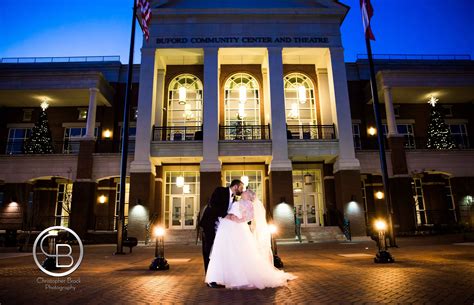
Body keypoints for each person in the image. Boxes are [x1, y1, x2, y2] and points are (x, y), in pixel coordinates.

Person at [205, 190, 296, 289]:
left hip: (237, 228)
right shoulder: (238, 201)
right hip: (229, 228)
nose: (243, 192)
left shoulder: (248, 204)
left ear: (249, 196)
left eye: (246, 192)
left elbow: (250, 217)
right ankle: (229, 276)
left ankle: (239, 277)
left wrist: (238, 219)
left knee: (238, 252)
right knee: (230, 252)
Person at [199, 179, 244, 280]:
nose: (242, 190)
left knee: (218, 250)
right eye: (241, 188)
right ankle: (209, 277)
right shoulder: (220, 190)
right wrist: (226, 215)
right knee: (208, 249)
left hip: (221, 227)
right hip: (209, 224)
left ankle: (217, 275)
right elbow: (213, 205)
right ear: (236, 186)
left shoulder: (234, 198)